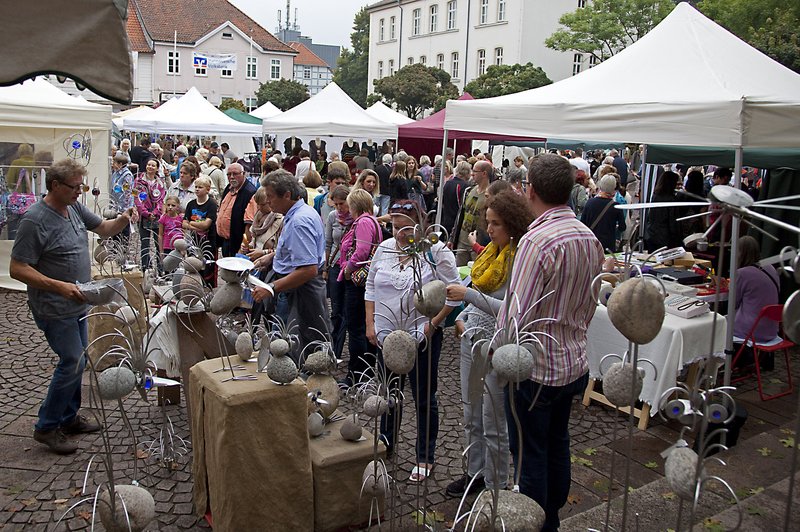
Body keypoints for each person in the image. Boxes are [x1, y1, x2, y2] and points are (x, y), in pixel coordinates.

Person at [497, 154, 604, 530]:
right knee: (557, 442)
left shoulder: (537, 241)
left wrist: (497, 355)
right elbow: (592, 300)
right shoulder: (589, 237)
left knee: (530, 452)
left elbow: (515, 315)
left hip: (537, 368)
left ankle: (539, 521)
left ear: (531, 191)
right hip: (572, 361)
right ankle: (552, 516)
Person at [10, 159, 138, 454]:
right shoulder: (34, 220)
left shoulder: (74, 207)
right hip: (54, 306)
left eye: (82, 186)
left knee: (79, 360)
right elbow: (17, 268)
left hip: (79, 301)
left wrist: (123, 219)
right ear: (55, 185)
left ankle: (68, 418)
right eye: (75, 186)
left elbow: (104, 228)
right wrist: (60, 286)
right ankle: (46, 426)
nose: (80, 191)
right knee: (72, 362)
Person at [445, 190, 534, 497]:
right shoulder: (490, 254)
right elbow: (477, 293)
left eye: (496, 223)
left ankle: (496, 485)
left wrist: (467, 297)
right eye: (488, 222)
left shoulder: (519, 260)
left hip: (497, 347)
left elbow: (511, 310)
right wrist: (463, 316)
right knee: (471, 414)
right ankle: (475, 474)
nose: (489, 229)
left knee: (493, 420)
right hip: (472, 341)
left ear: (512, 224)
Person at [365, 200, 460, 481]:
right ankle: (387, 440)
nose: (399, 234)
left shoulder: (435, 251)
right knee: (389, 392)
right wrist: (370, 323)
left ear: (421, 226)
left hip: (421, 336)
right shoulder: (385, 248)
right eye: (395, 227)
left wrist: (432, 325)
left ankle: (425, 455)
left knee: (423, 396)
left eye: (406, 228)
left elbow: (455, 292)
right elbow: (370, 287)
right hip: (386, 335)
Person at [252, 170, 331, 360]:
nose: (267, 201)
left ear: (287, 195)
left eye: (270, 196)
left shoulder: (299, 221)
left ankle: (299, 375)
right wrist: (273, 257)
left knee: (295, 345)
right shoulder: (300, 212)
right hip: (296, 287)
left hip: (301, 290)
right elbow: (298, 251)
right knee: (291, 340)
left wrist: (271, 288)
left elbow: (308, 269)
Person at [339, 189, 382, 386]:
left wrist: (348, 269)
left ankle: (356, 374)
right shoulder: (371, 221)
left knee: (356, 328)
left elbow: (362, 251)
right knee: (363, 327)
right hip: (363, 281)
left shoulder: (363, 222)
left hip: (358, 282)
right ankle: (366, 372)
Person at [732, 236, 781, 370]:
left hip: (752, 331)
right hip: (772, 328)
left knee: (720, 322)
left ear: (740, 253)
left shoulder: (742, 273)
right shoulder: (770, 268)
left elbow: (733, 303)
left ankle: (733, 360)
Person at [323, 185, 351, 361]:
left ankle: (339, 346)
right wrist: (326, 267)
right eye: (336, 204)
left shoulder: (356, 218)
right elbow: (327, 243)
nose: (339, 208)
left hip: (349, 267)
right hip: (335, 265)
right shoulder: (333, 217)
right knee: (336, 309)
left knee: (347, 309)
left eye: (342, 203)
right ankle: (335, 349)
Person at [450, 160, 492, 266]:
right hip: (462, 240)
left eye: (475, 171)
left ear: (484, 173)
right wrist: (452, 238)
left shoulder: (490, 194)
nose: (472, 174)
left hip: (479, 242)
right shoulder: (468, 190)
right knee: (459, 271)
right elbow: (460, 215)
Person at [216, 162, 257, 257]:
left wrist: (242, 248)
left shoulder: (250, 193)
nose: (231, 177)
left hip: (237, 244)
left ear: (243, 174)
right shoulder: (229, 188)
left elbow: (249, 225)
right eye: (229, 174)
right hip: (225, 242)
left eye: (235, 174)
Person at [182, 176, 218, 285]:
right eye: (196, 187)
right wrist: (196, 226)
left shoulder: (212, 204)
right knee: (194, 265)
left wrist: (192, 223)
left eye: (200, 187)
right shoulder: (191, 204)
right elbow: (184, 223)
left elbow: (206, 225)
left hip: (208, 241)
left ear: (207, 189)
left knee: (207, 267)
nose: (197, 189)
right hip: (194, 241)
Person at [134, 158, 166, 270]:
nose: (150, 167)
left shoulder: (160, 183)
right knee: (145, 242)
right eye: (149, 165)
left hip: (157, 217)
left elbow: (162, 199)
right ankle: (145, 267)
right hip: (143, 216)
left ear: (157, 168)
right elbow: (136, 198)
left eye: (153, 165)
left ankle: (161, 267)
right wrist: (145, 212)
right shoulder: (138, 181)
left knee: (158, 242)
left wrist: (156, 212)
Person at [581, 174, 626, 252]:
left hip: (591, 243)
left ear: (600, 186)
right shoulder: (616, 206)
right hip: (608, 245)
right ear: (614, 187)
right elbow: (622, 227)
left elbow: (583, 223)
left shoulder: (590, 202)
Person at [643, 170, 682, 252]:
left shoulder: (655, 196)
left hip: (651, 233)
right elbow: (673, 222)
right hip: (665, 237)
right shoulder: (672, 199)